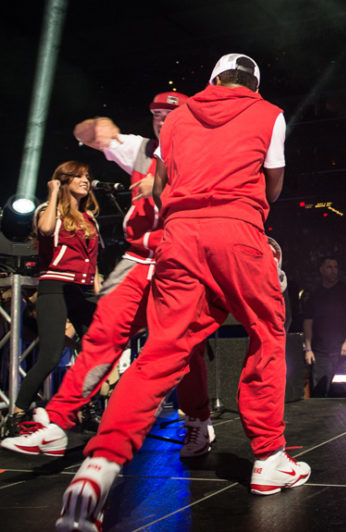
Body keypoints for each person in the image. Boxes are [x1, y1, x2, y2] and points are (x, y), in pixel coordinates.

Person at [56, 52, 308, 532]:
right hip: (237, 232)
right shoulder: (267, 112)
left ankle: (97, 469)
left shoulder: (178, 118)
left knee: (160, 352)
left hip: (180, 238)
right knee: (266, 333)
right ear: (252, 84)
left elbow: (163, 184)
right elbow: (273, 189)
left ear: (211, 80)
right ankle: (270, 458)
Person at [1, 92, 214, 459]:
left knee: (186, 347)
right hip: (138, 258)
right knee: (101, 336)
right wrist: (96, 131)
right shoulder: (141, 149)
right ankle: (56, 422)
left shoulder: (203, 152)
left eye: (169, 115)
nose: (162, 122)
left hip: (179, 259)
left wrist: (163, 189)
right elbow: (89, 132)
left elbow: (213, 202)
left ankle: (196, 420)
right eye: (156, 115)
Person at [1, 162, 100, 438]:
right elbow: (45, 231)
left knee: (96, 351)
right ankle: (17, 413)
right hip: (55, 286)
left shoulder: (90, 218)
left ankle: (87, 408)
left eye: (87, 176)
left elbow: (92, 262)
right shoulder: (49, 211)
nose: (85, 180)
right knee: (51, 355)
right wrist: (54, 192)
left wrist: (98, 290)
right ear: (64, 181)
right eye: (78, 176)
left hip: (82, 291)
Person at [303, 256, 346, 396]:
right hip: (321, 353)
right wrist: (308, 348)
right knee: (321, 392)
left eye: (335, 267)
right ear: (321, 270)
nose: (333, 270)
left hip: (345, 352)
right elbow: (307, 322)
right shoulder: (314, 294)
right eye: (329, 267)